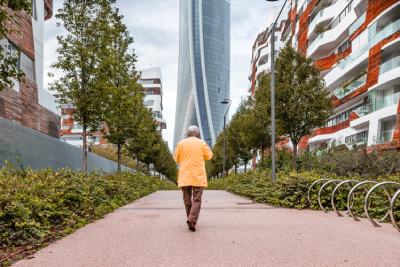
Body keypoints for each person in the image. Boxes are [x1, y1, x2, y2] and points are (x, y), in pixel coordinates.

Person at [174, 125, 213, 231]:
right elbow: (209, 156)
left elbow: (176, 159)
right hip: (198, 175)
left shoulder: (181, 143)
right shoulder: (202, 143)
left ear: (188, 133)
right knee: (197, 199)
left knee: (187, 200)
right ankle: (192, 219)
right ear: (198, 133)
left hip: (185, 175)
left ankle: (190, 218)